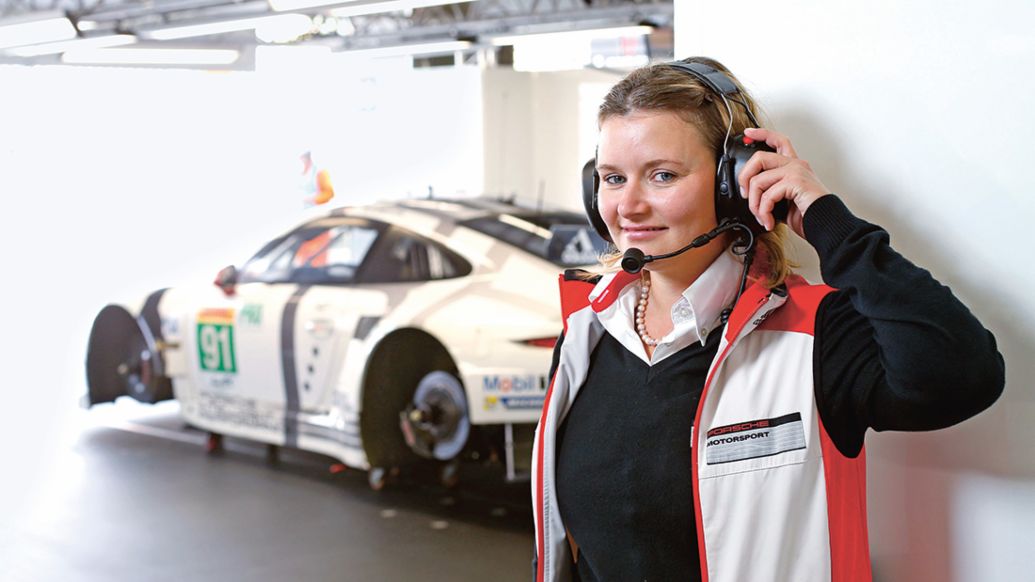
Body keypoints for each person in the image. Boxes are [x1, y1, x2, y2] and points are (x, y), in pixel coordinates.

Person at [531, 57, 1005, 582]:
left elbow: (962, 373)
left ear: (731, 182)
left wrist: (826, 220)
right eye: (612, 179)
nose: (629, 205)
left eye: (662, 175)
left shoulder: (813, 334)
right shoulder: (588, 330)